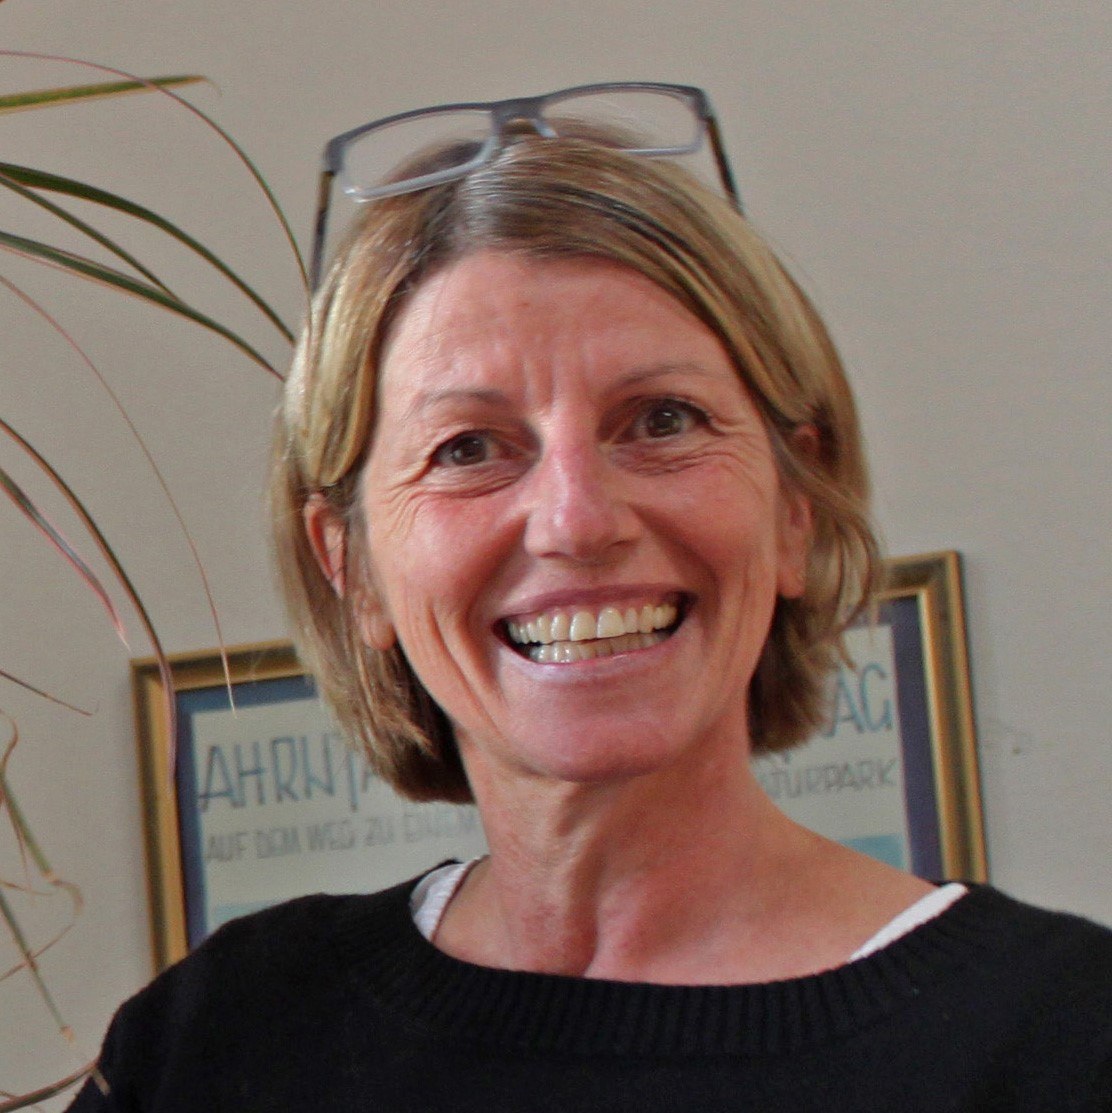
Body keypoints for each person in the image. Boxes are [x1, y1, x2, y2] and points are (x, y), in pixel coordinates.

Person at [69, 83, 1111, 1112]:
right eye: (466, 448)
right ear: (351, 567)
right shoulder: (220, 1038)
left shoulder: (1066, 1039)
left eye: (662, 420)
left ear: (797, 508)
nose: (576, 520)